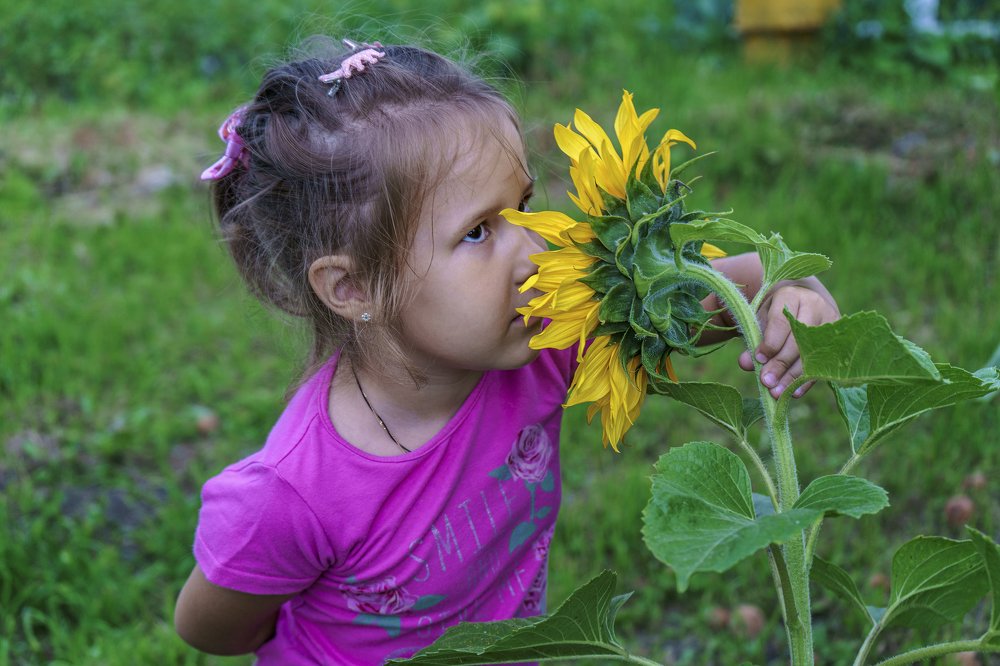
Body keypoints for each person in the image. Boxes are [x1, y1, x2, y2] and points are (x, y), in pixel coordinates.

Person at [173, 38, 839, 665]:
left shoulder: (546, 338)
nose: (532, 252)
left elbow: (719, 291)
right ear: (352, 287)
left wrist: (792, 292)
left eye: (523, 205)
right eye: (477, 233)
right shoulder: (296, 491)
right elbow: (212, 627)